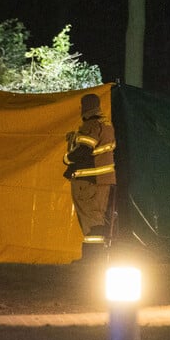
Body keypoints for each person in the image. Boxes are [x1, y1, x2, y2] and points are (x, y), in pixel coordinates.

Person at [62, 93, 116, 263]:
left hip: (88, 182)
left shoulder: (90, 125)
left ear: (84, 108)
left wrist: (67, 159)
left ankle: (91, 260)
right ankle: (96, 259)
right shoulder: (106, 125)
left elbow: (84, 151)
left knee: (89, 220)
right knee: (97, 219)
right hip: (104, 181)